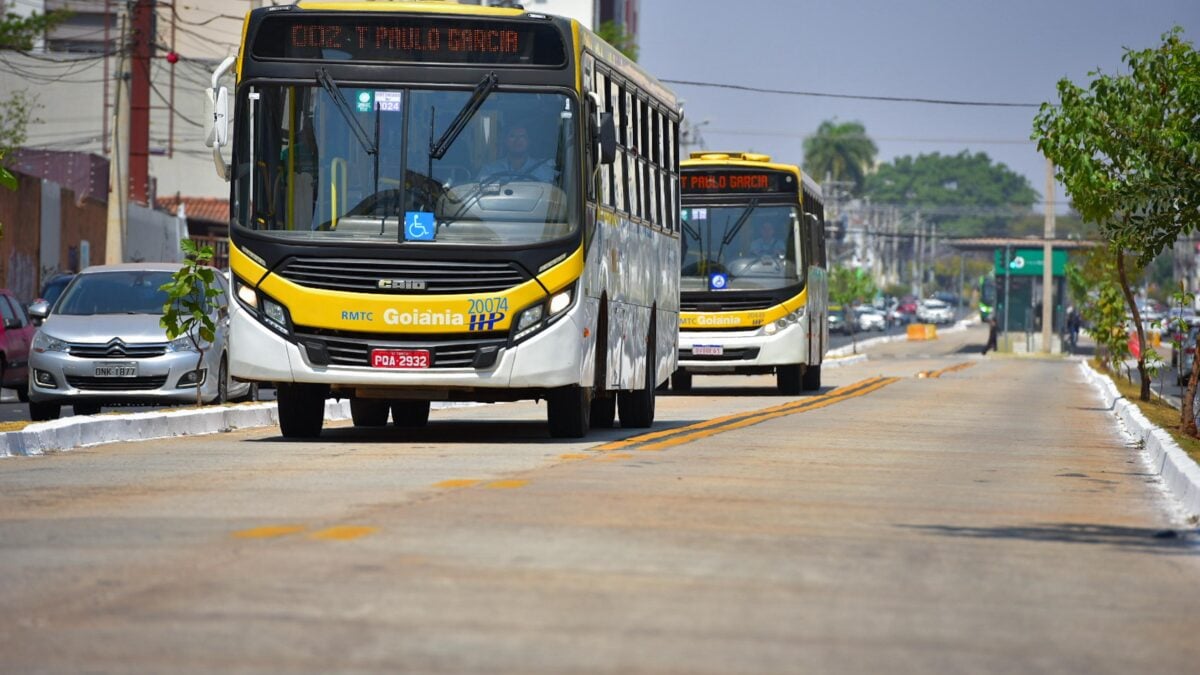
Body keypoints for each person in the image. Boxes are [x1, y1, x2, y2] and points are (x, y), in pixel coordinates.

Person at [479, 124, 555, 182]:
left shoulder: (544, 171)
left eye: (522, 136)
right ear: (504, 141)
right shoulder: (489, 170)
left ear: (529, 141)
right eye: (512, 136)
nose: (518, 140)